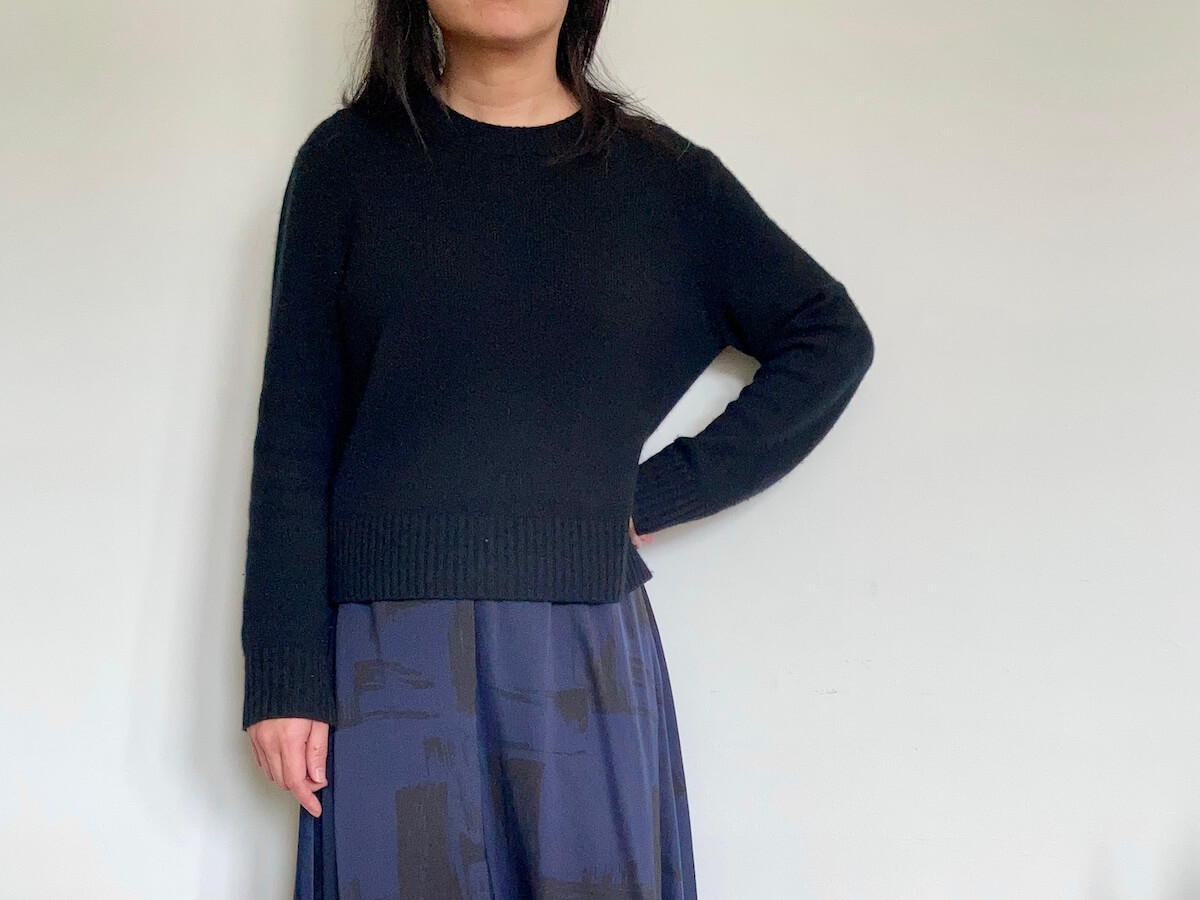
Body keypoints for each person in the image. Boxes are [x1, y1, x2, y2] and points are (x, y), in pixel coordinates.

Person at [239, 1, 875, 896]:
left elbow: (829, 337)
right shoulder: (346, 163)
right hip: (385, 652)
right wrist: (283, 675)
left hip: (581, 644)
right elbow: (295, 435)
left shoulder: (665, 182)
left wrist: (658, 494)